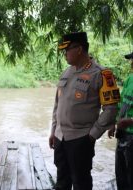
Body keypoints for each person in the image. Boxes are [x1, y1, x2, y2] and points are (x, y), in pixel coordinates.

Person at [49, 32, 120, 190]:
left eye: (66, 50)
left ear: (79, 49)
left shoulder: (101, 74)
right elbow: (57, 105)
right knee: (61, 182)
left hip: (81, 139)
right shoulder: (66, 72)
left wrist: (93, 135)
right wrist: (53, 130)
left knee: (81, 183)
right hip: (61, 138)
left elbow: (110, 109)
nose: (64, 54)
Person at [108, 52, 133, 190]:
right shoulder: (130, 79)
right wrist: (113, 123)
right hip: (123, 134)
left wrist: (131, 120)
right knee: (121, 174)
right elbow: (120, 103)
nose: (131, 63)